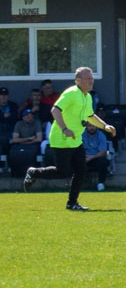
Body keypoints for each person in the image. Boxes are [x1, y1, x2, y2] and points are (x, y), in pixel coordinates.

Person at [23, 67, 117, 211]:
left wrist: (105, 126)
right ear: (78, 80)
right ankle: (33, 172)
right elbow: (55, 110)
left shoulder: (88, 96)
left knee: (81, 170)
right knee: (62, 172)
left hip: (76, 140)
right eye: (88, 78)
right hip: (61, 138)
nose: (91, 81)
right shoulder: (71, 93)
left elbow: (90, 116)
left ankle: (72, 203)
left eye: (92, 78)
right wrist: (65, 129)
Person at [9, 108, 41, 177]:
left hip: (32, 145)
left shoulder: (37, 123)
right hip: (21, 145)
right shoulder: (18, 124)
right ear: (23, 117)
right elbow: (15, 139)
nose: (29, 117)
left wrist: (24, 142)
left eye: (31, 116)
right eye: (27, 116)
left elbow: (39, 139)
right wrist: (28, 139)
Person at [82, 125, 112, 190]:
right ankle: (78, 183)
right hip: (84, 157)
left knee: (103, 161)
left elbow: (103, 152)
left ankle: (100, 183)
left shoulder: (101, 135)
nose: (91, 128)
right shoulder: (82, 135)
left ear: (97, 127)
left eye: (93, 126)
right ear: (86, 127)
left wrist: (91, 157)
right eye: (89, 126)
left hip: (96, 157)